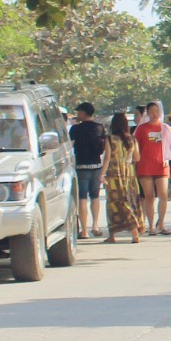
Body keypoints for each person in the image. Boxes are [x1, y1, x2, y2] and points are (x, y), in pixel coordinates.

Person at [135, 100, 171, 234]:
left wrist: (167, 158)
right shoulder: (141, 129)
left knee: (163, 195)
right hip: (145, 166)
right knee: (149, 196)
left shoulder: (166, 129)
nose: (154, 114)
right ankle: (151, 226)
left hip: (161, 166)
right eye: (151, 111)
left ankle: (162, 224)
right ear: (147, 113)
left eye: (157, 111)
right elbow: (136, 147)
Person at [68, 102, 106, 240]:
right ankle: (95, 225)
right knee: (95, 196)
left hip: (81, 167)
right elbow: (103, 147)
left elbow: (69, 148)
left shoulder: (75, 129)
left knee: (82, 198)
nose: (78, 114)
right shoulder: (99, 127)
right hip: (96, 166)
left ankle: (84, 230)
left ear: (84, 113)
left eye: (79, 112)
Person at [104, 113, 143, 243]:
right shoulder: (132, 139)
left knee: (114, 203)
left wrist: (101, 174)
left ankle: (112, 235)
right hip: (129, 173)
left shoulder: (110, 139)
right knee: (129, 201)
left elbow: (107, 158)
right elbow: (137, 158)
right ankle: (134, 233)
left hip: (114, 174)